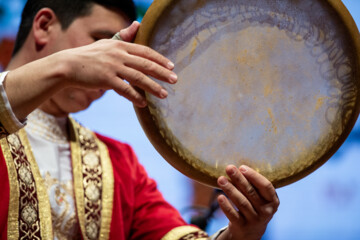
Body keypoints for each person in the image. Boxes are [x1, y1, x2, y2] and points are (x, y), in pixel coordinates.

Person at [0, 0, 280, 239]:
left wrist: (239, 234)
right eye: (100, 42)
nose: (114, 60)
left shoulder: (117, 163)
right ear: (44, 25)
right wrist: (66, 66)